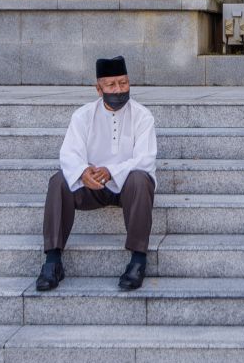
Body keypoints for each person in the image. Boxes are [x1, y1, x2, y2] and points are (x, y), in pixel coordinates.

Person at [36, 56, 157, 292]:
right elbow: (69, 153)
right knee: (59, 181)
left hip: (127, 190)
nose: (119, 90)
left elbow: (146, 158)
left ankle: (138, 260)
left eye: (123, 83)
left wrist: (111, 171)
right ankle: (52, 261)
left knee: (141, 178)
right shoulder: (82, 116)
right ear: (98, 89)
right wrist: (83, 172)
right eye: (111, 85)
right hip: (92, 189)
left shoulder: (143, 116)